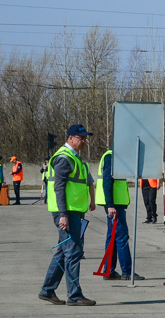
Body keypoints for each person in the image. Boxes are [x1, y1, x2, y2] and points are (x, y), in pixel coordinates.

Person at [39, 125, 98, 306]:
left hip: (74, 210)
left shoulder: (74, 157)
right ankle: (74, 295)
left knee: (64, 252)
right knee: (73, 252)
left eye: (85, 138)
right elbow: (59, 188)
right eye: (81, 138)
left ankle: (47, 290)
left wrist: (90, 201)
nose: (84, 141)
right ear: (71, 138)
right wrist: (63, 215)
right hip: (67, 212)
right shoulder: (64, 158)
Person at [95, 144, 141, 280]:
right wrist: (110, 205)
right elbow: (107, 182)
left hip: (115, 203)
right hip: (114, 205)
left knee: (113, 238)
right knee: (121, 236)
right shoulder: (111, 158)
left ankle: (108, 271)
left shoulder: (113, 157)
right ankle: (127, 271)